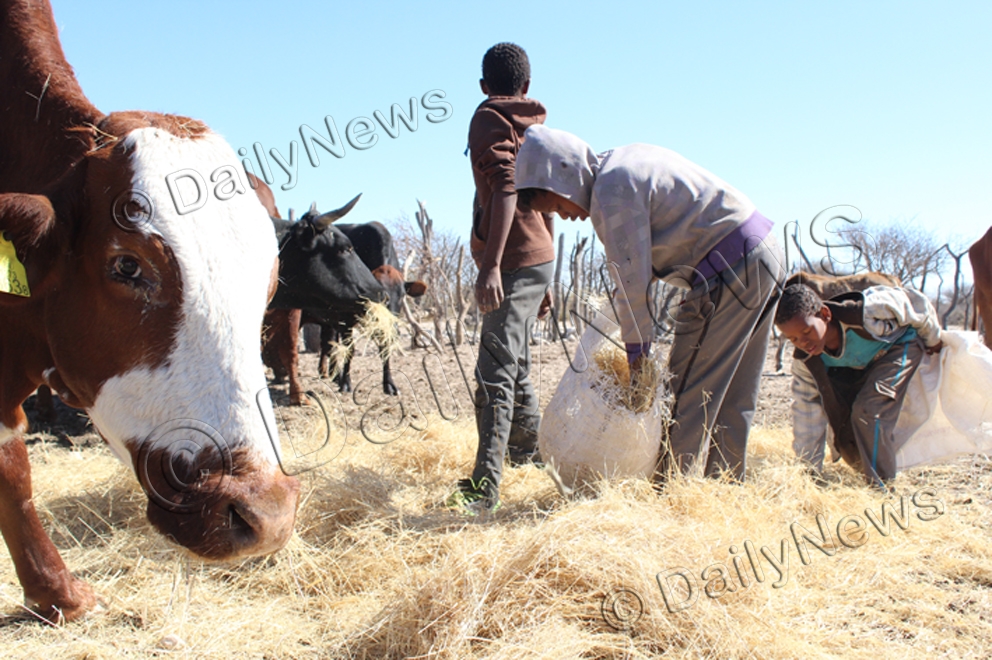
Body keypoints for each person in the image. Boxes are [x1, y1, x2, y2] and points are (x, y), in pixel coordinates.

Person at [515, 125, 784, 483]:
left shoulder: (610, 193)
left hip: (730, 268)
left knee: (684, 391)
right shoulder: (623, 161)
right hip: (765, 253)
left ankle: (670, 491)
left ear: (563, 174)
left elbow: (633, 288)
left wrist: (638, 360)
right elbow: (652, 252)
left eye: (556, 205)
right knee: (736, 391)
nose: (564, 215)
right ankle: (727, 487)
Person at [447, 43, 555, 514]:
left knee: (493, 372)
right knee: (516, 365)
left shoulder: (489, 117)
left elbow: (507, 186)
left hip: (511, 261)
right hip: (538, 257)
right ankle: (530, 457)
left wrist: (491, 265)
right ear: (526, 86)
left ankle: (483, 488)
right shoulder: (535, 125)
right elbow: (545, 198)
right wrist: (548, 272)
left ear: (483, 85)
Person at [774, 282, 943, 487]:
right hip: (861, 368)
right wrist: (810, 469)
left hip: (899, 348)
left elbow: (915, 303)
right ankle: (873, 471)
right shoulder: (806, 362)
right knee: (849, 443)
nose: (803, 342)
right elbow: (807, 412)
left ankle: (881, 488)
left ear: (825, 314)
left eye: (807, 331)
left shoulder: (864, 312)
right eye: (793, 339)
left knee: (869, 412)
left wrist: (933, 339)